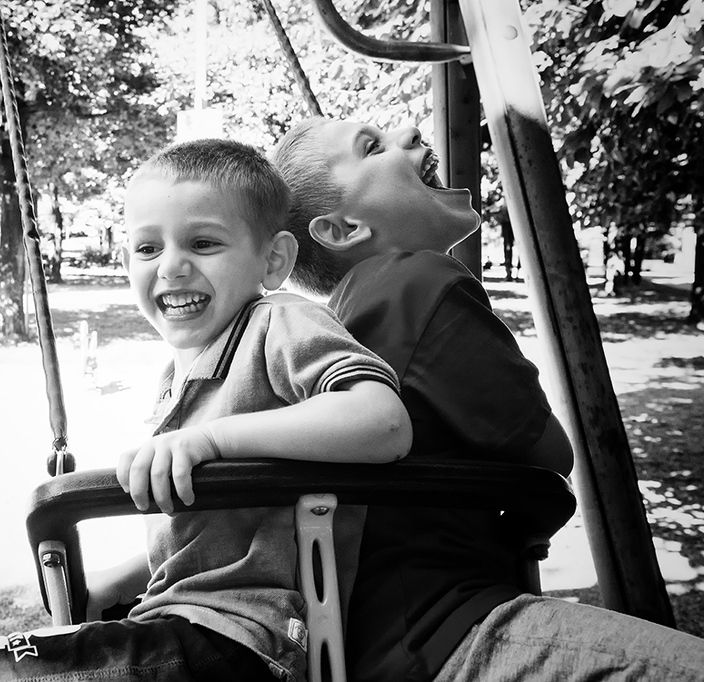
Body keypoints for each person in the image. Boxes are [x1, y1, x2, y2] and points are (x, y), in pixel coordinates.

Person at [0, 138, 412, 682]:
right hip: (184, 624)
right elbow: (218, 540)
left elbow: (382, 421)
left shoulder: (280, 323)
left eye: (203, 243)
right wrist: (122, 582)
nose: (172, 266)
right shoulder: (176, 379)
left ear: (273, 260)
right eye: (149, 249)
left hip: (247, 638)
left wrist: (212, 441)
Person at [272, 116, 704, 681]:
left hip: (366, 636)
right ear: (344, 228)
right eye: (372, 147)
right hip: (449, 627)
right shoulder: (418, 281)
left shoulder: (337, 322)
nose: (411, 133)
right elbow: (546, 451)